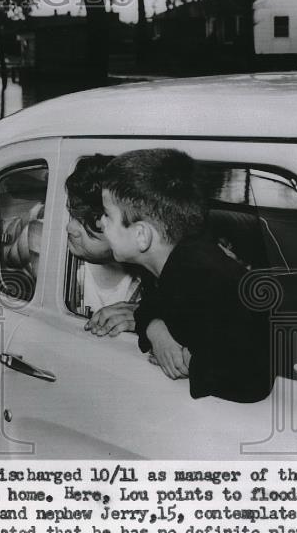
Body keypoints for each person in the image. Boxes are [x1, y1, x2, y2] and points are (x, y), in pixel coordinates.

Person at [100, 149, 274, 403]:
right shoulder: (175, 261)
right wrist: (155, 329)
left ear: (141, 236)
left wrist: (192, 362)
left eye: (108, 215)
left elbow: (254, 375)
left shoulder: (207, 279)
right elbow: (152, 304)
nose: (101, 223)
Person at [64, 155, 142, 336]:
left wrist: (151, 319)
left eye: (88, 222)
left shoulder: (157, 280)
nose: (70, 228)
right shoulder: (46, 247)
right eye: (72, 215)